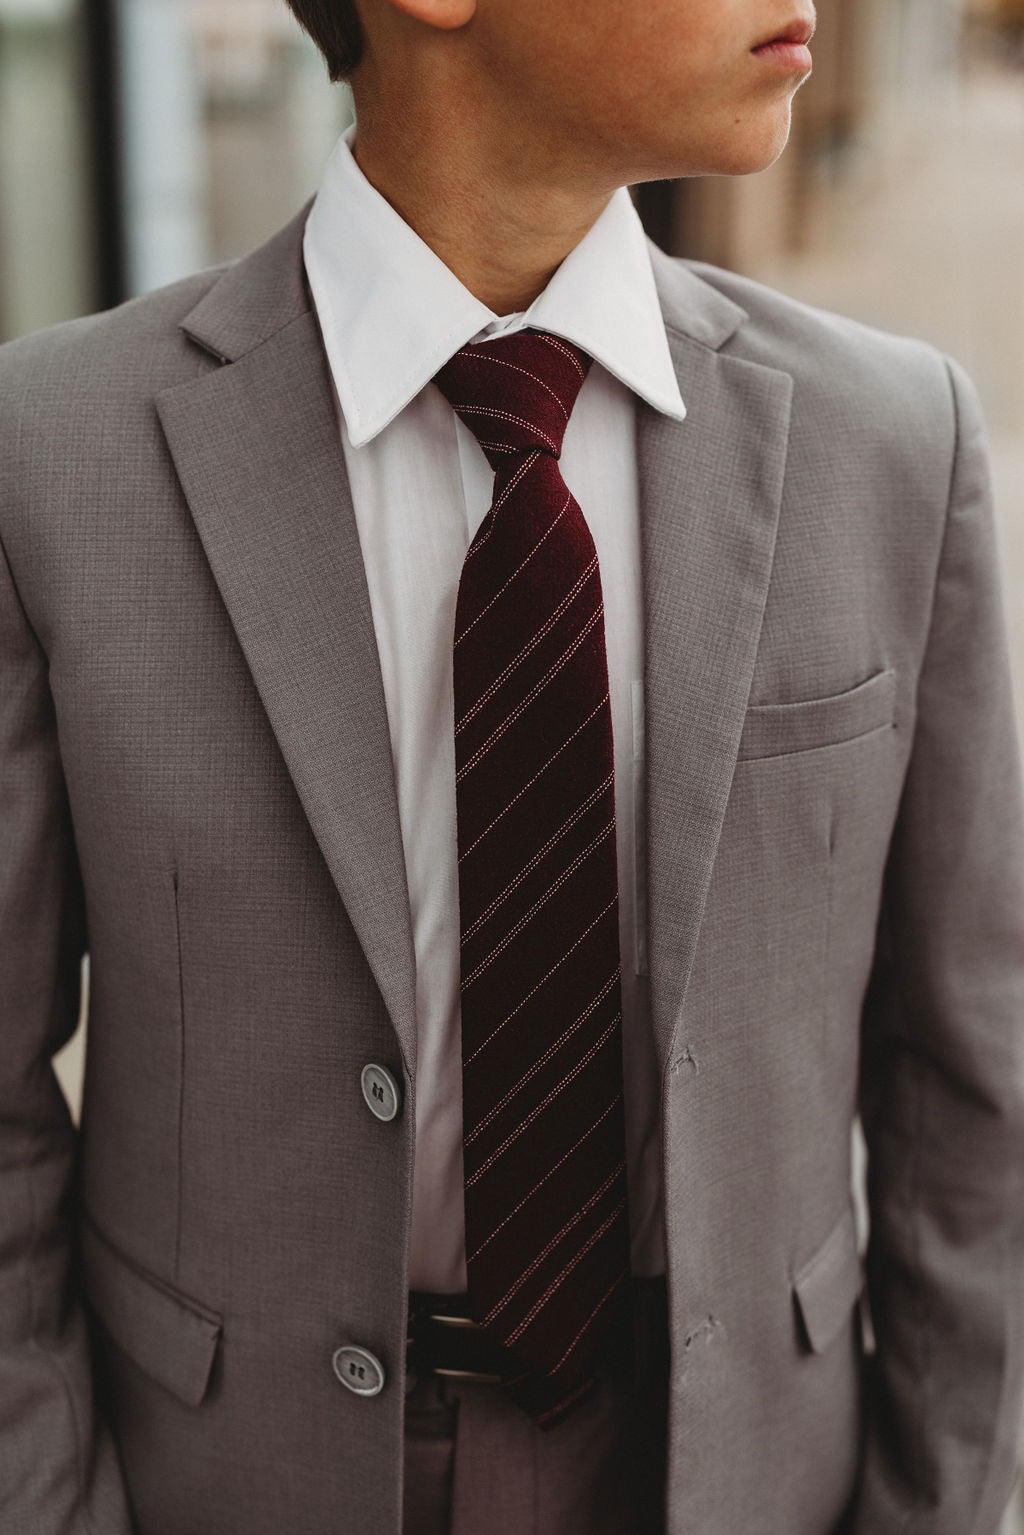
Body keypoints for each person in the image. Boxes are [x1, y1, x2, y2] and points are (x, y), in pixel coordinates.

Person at [1, 0, 1023, 1531]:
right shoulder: (50, 454)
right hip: (232, 1479)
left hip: (743, 1473)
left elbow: (977, 1092)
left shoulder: (894, 444)